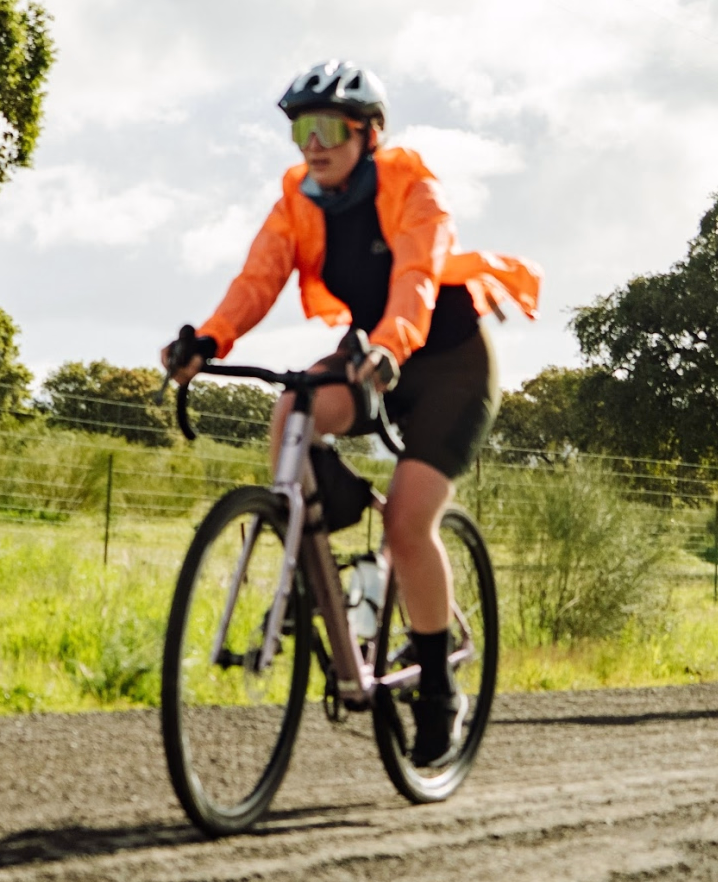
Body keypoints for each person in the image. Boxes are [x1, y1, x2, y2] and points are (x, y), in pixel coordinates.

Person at [163, 60, 541, 763]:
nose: (313, 143)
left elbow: (417, 278)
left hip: (448, 362)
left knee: (408, 521)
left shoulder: (413, 187)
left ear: (369, 133)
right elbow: (258, 279)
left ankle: (438, 688)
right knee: (292, 411)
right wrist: (208, 340)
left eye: (329, 128)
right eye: (300, 129)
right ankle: (329, 567)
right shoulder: (298, 200)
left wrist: (393, 345)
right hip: (374, 353)